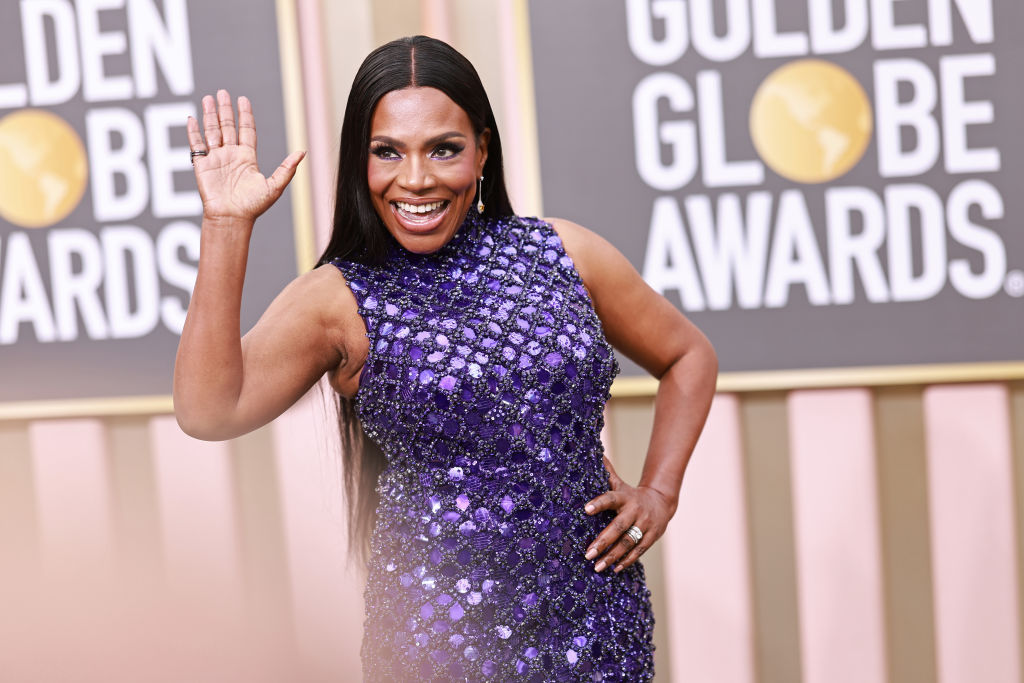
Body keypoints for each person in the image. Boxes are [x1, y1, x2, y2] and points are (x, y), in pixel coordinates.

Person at [175, 35, 716, 682]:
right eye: (387, 152)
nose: (416, 178)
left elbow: (688, 354)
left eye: (444, 149)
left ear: (482, 151)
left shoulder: (564, 252)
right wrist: (226, 227)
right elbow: (209, 409)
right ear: (359, 163)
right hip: (439, 640)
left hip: (598, 624)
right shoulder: (337, 298)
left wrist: (659, 492)